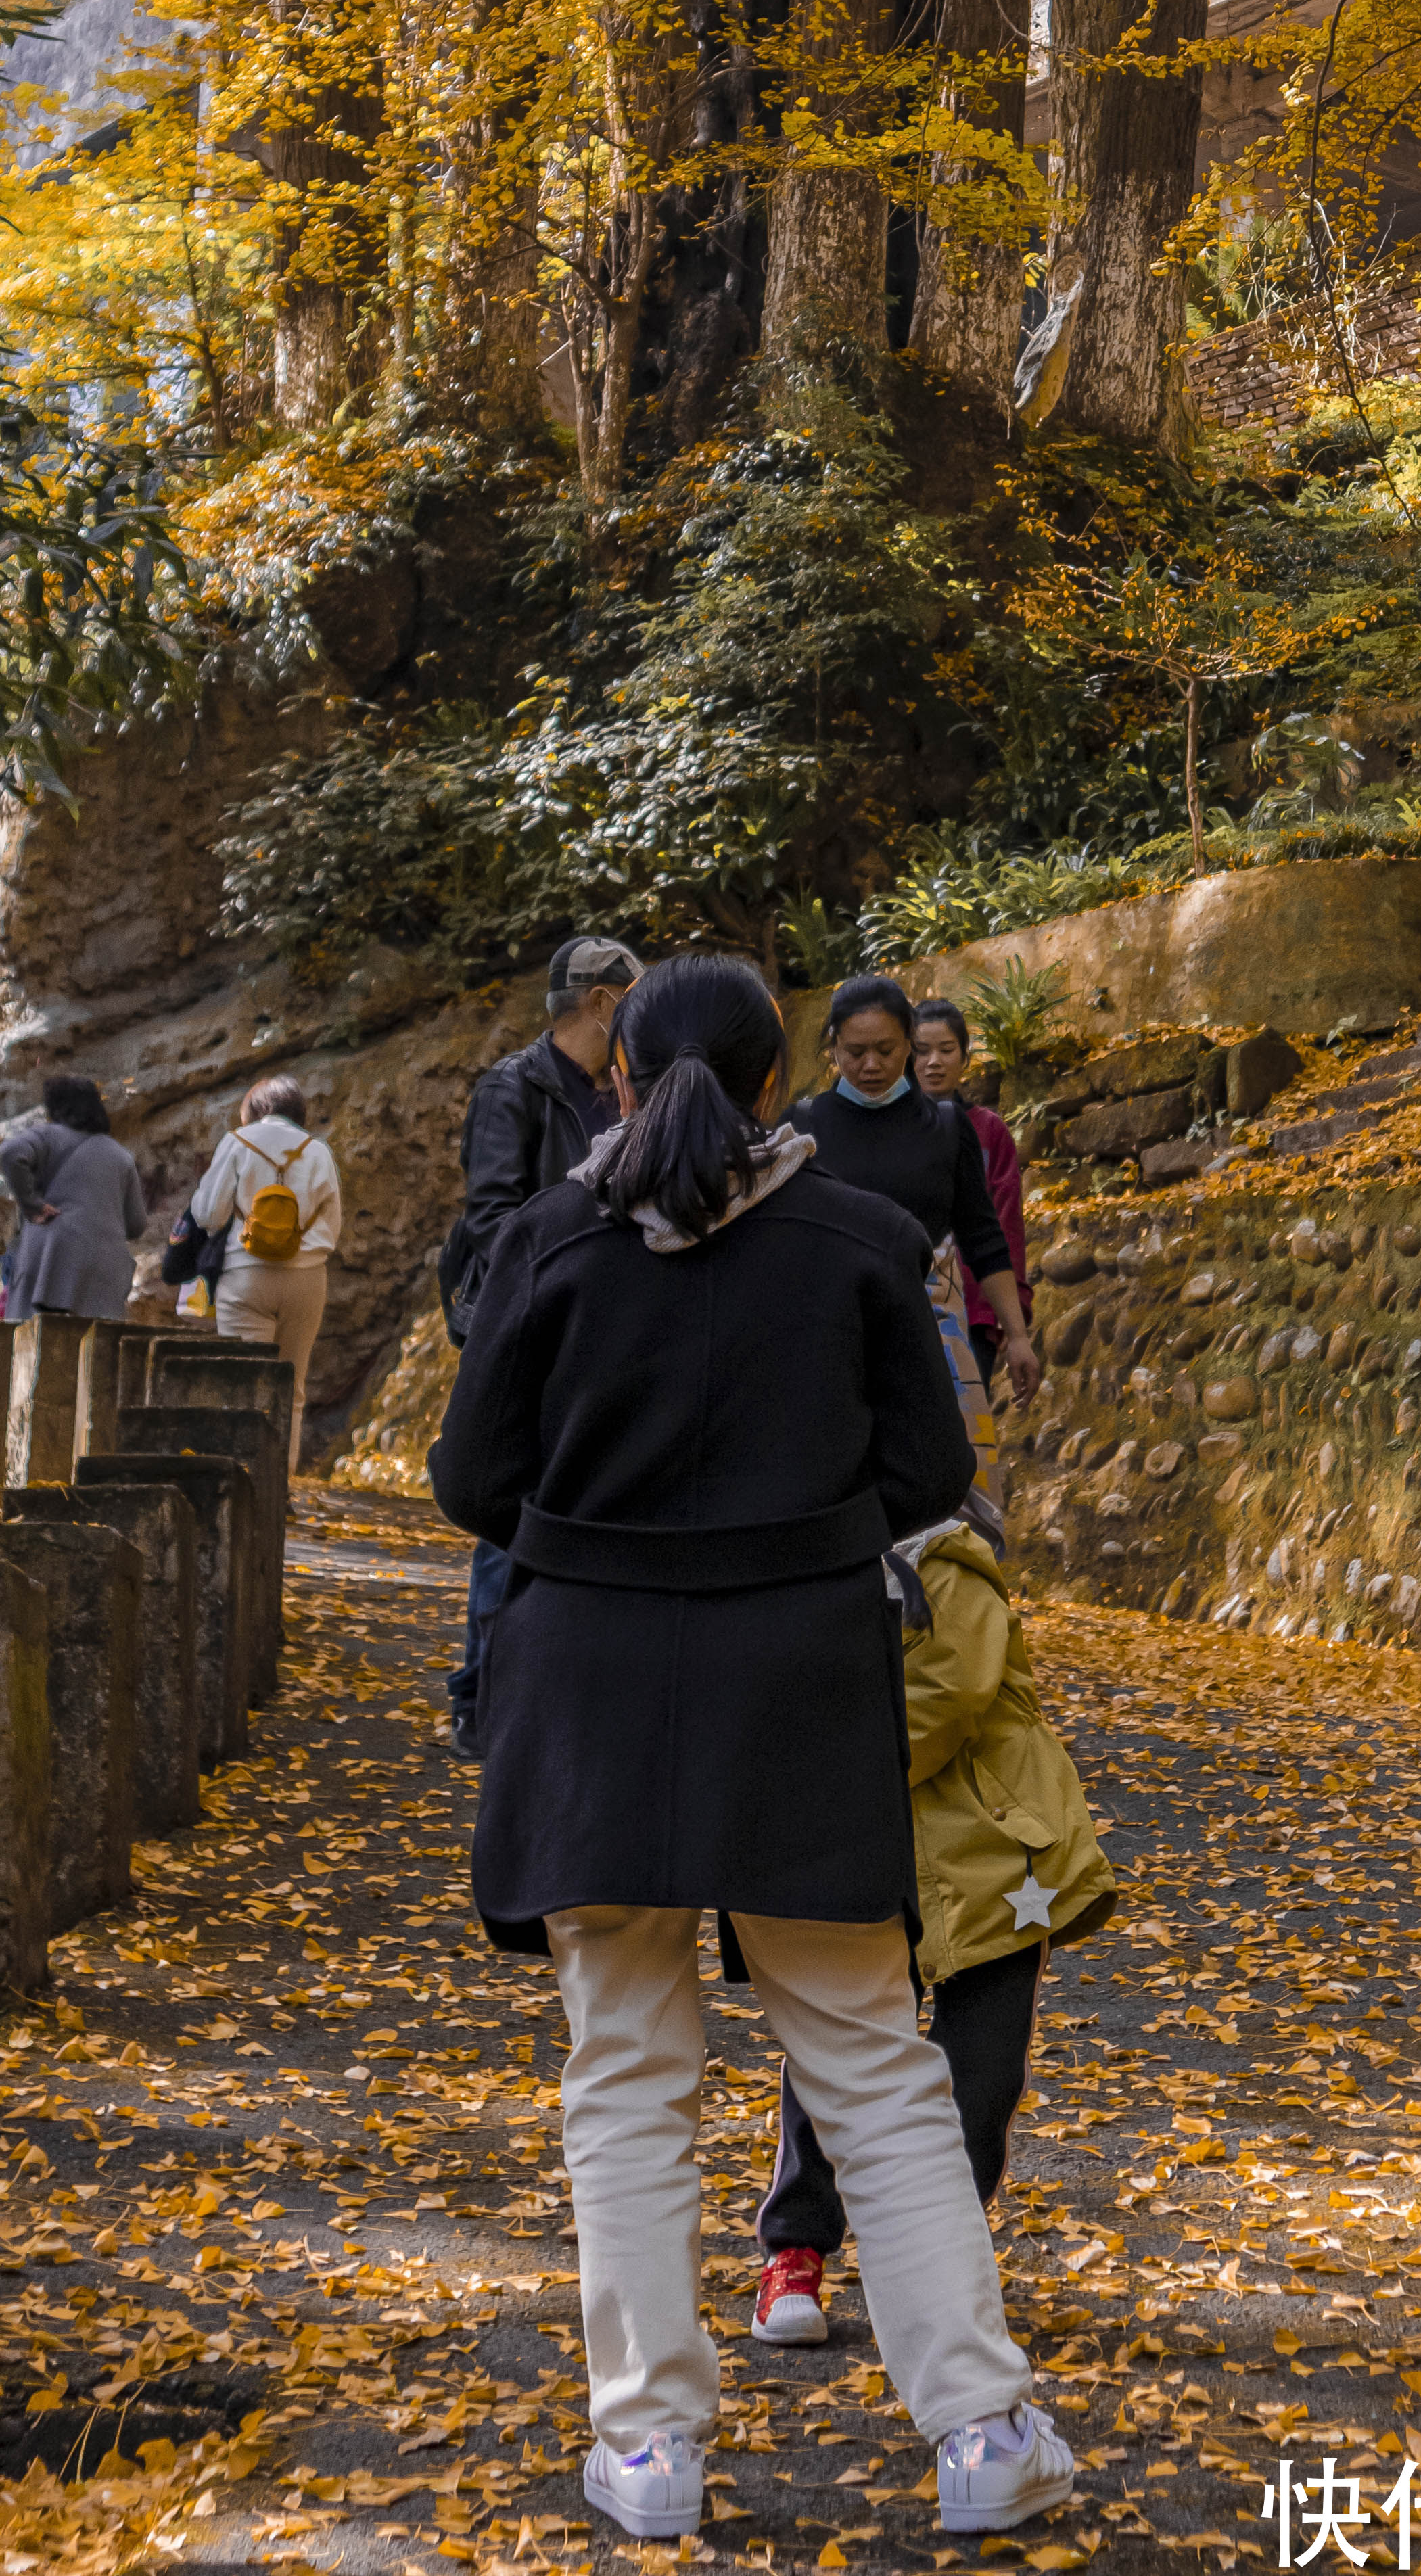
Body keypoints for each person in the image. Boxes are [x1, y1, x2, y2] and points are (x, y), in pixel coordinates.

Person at [428, 952, 1074, 2545]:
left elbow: (467, 1479)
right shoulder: (860, 1244)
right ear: (777, 1086)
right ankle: (981, 2422)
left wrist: (598, 1538)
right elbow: (931, 1474)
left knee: (629, 2075)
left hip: (590, 1691)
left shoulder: (547, 1242)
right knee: (868, 2060)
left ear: (626, 1084)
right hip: (796, 1687)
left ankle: (648, 2449)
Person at [753, 1489, 1113, 2351]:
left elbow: (942, 1696)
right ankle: (794, 2250)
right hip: (867, 1859)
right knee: (834, 2058)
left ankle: (935, 2262)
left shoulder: (952, 1566)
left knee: (978, 2084)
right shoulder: (799, 1556)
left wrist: (814, 1761)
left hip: (991, 1864)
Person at [438, 934, 643, 1760]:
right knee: (511, 1514)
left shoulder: (623, 1087)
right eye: (633, 992)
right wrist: (566, 1270)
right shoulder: (513, 1088)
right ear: (600, 1002)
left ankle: (555, 1690)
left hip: (601, 1322)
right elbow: (489, 1216)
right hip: (525, 1324)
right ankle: (482, 1694)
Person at [798, 978, 1040, 1503]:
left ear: (908, 1041)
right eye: (854, 1052)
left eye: (885, 1050)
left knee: (942, 1481)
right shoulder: (805, 1127)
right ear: (832, 1044)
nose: (870, 1065)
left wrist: (1017, 1334)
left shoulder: (948, 1127)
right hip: (831, 1340)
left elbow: (983, 1238)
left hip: (933, 1337)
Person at [188, 1075, 341, 1466]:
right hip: (307, 1278)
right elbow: (331, 1226)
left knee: (242, 1380)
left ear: (254, 1109)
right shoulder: (319, 1151)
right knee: (291, 1385)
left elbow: (207, 1215)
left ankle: (242, 1475)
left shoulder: (237, 1142)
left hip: (245, 1274)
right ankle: (281, 1484)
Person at [910, 998, 1033, 1408]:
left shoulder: (989, 1131)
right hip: (904, 1305)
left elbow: (1005, 1224)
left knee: (963, 1436)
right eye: (921, 1051)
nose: (934, 1062)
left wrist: (1016, 1322)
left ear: (965, 1057)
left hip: (974, 1309)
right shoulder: (892, 1130)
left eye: (946, 1050)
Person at [0, 1075, 146, 1326]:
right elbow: (136, 1224)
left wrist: (32, 1205)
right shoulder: (121, 1157)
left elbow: (10, 1153)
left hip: (51, 1268)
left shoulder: (48, 1136)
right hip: (105, 1272)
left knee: (31, 1348)